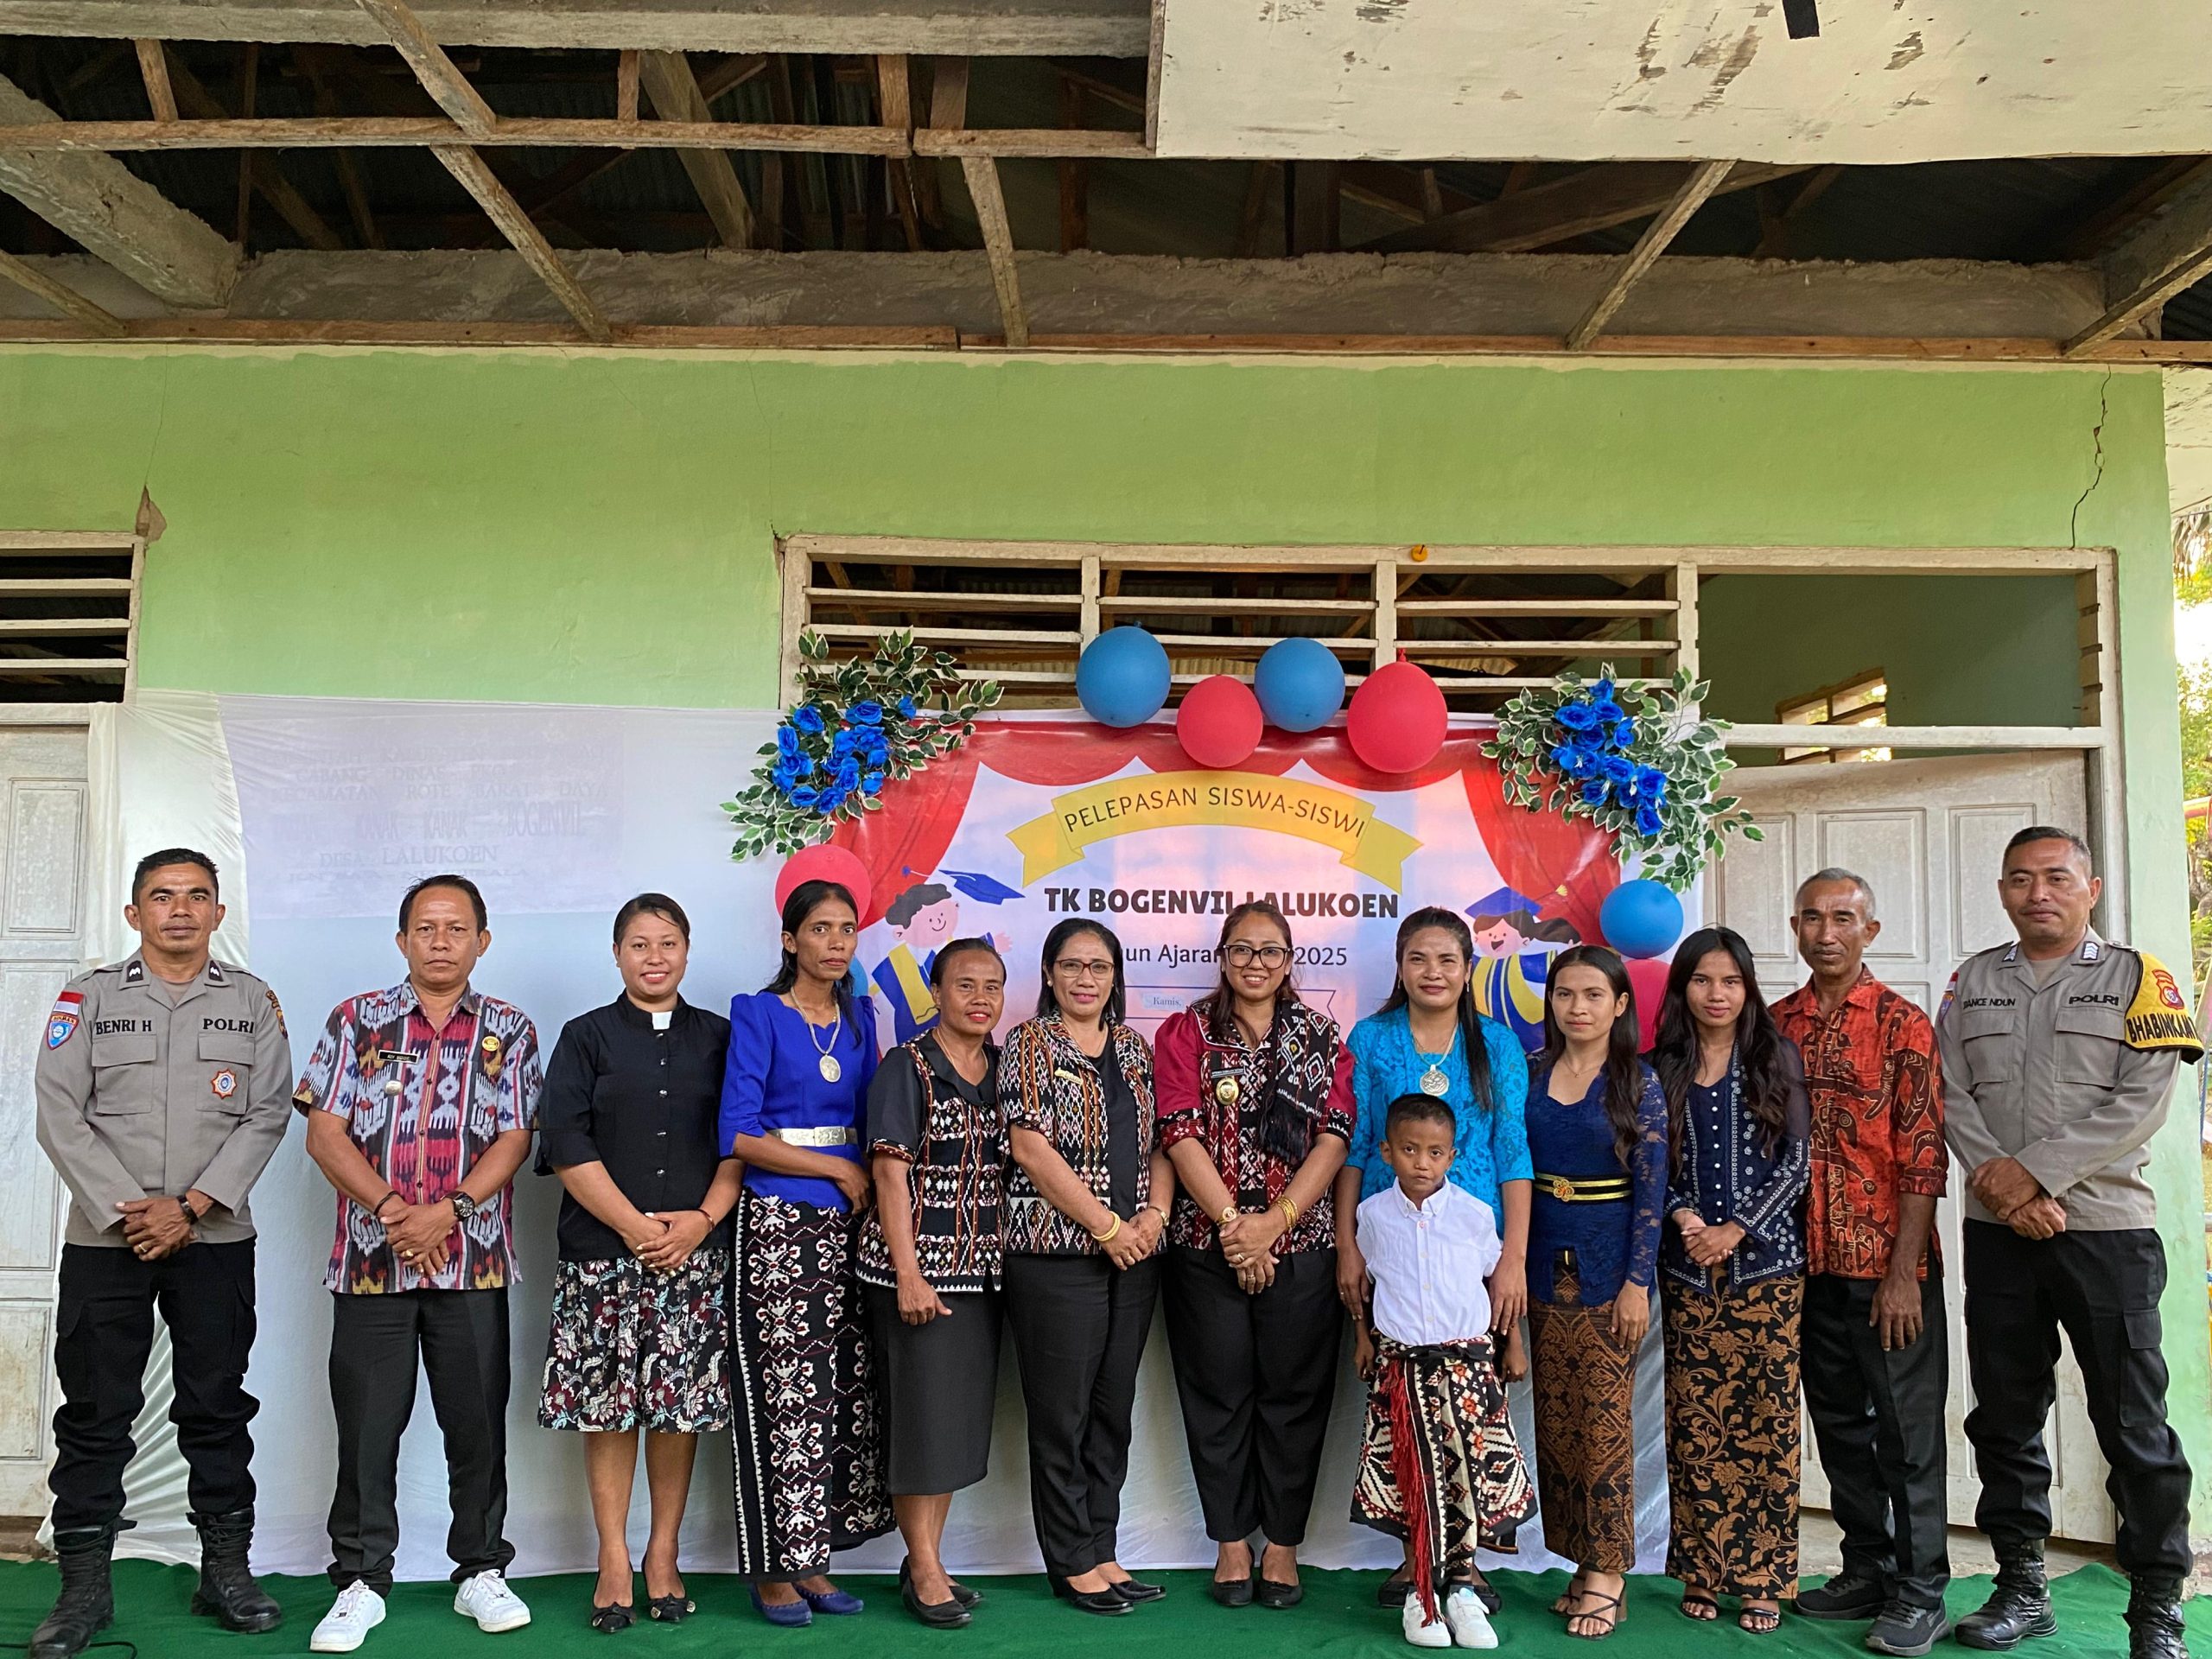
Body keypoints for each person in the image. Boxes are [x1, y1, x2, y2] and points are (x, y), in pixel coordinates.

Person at [1936, 827, 2200, 1659]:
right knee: (2005, 1417)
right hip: (1999, 1235)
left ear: (2091, 887)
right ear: (2003, 891)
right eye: (2020, 879)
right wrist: (2005, 1191)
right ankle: (2022, 1587)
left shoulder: (2140, 978)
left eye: (2056, 877)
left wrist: (2034, 1177)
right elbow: (1949, 1093)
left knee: (2134, 1426)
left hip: (2108, 1233)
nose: (2038, 893)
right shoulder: (1973, 981)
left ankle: (2157, 1608)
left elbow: (2142, 1102)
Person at [30, 849, 291, 1659]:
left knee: (216, 1405)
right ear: (133, 913)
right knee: (95, 1412)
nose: (180, 910)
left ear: (218, 913)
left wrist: (192, 1207)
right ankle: (83, 1590)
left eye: (196, 896)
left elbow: (268, 1111)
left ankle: (226, 1573)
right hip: (106, 1240)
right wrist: (134, 1211)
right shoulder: (89, 999)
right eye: (162, 896)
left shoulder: (252, 1003)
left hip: (214, 1239)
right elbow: (58, 1111)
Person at [296, 874, 541, 1654]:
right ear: (402, 940)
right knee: (368, 1430)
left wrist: (449, 1211)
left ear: (482, 941)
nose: (441, 942)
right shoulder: (356, 1020)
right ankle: (361, 1582)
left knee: (478, 1429)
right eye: (426, 929)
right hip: (373, 1265)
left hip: (473, 1264)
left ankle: (481, 1571)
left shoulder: (510, 1029)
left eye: (456, 928)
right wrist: (394, 1210)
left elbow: (516, 1137)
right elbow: (324, 1132)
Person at [536, 894, 739, 1632]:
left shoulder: (721, 1037)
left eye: (668, 943)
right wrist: (633, 1227)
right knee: (610, 1410)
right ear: (617, 954)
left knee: (677, 1412)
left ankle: (664, 1553)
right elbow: (565, 1142)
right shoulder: (584, 1036)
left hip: (694, 1255)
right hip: (601, 1258)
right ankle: (613, 1557)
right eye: (639, 944)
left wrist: (701, 1223)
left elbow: (741, 1139)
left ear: (687, 950)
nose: (655, 957)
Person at [1154, 901, 1355, 1609]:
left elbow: (1334, 1137)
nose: (1256, 963)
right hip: (1204, 1245)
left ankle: (1284, 1546)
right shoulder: (1186, 1032)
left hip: (1301, 1246)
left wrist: (1273, 1223)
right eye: (1242, 949)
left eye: (1271, 951)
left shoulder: (1322, 1037)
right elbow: (1177, 1132)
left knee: (1294, 1398)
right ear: (1222, 956)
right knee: (1217, 1395)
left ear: (1290, 961)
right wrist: (1236, 1229)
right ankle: (1232, 1543)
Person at [1771, 870, 1951, 1656]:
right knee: (1840, 1425)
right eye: (1812, 918)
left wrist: (1904, 1273)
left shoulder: (1903, 1023)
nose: (1826, 933)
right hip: (1807, 1266)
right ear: (1795, 928)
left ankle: (1921, 1591)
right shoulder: (1776, 1025)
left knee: (1907, 1435)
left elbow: (1924, 1155)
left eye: (1843, 918)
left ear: (1869, 931)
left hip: (1887, 1270)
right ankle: (1866, 1569)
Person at [1335, 905, 1532, 1611]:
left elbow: (1513, 1151)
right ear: (1399, 965)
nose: (1433, 972)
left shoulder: (1497, 1045)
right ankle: (1413, 1556)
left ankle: (1466, 1560)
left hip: (1470, 1253)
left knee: (1472, 1417)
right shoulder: (1372, 1038)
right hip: (1391, 1243)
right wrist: (1347, 1245)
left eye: (1448, 959)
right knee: (1400, 1409)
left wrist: (1513, 1259)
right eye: (1418, 958)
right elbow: (1357, 1145)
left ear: (1468, 967)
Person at [721, 878, 893, 1624]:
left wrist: (867, 1182)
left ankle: (814, 1561)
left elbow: (873, 1121)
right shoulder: (758, 1013)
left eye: (846, 929)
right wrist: (832, 1168)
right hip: (777, 1221)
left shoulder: (861, 1018)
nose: (836, 942)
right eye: (820, 929)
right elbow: (737, 1132)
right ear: (790, 941)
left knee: (838, 1392)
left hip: (850, 1224)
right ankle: (771, 1570)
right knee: (782, 1391)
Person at [1000, 918, 1178, 1618]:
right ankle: (1070, 1560)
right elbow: (1030, 1148)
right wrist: (1106, 1226)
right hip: (1056, 1255)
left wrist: (1154, 1216)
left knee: (1112, 1412)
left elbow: (1162, 1142)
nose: (1085, 979)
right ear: (1049, 974)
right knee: (1062, 1416)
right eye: (1071, 965)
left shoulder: (1133, 1047)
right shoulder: (1030, 1043)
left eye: (1099, 967)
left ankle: (1103, 1549)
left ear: (1115, 978)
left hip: (1135, 1257)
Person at [1654, 926, 1810, 1636]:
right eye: (1701, 980)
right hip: (1689, 1272)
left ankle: (1763, 1577)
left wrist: (1737, 1229)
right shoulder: (1661, 1066)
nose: (1716, 994)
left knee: (1767, 1421)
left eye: (1730, 981)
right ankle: (1703, 1569)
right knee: (1696, 1423)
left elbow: (1797, 1165)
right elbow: (1646, 1161)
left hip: (1767, 1273)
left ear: (1747, 989)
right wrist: (1684, 1216)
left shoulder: (1775, 1056)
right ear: (1682, 988)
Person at [858, 937, 1009, 1629]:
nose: (980, 999)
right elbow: (889, 1175)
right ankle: (922, 1567)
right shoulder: (907, 1066)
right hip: (915, 1277)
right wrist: (909, 1274)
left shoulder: (1004, 1069)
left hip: (980, 1276)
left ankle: (930, 1558)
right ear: (937, 993)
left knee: (951, 1429)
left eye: (992, 986)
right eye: (964, 985)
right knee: (920, 1423)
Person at [1351, 1092, 1535, 1651]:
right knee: (1410, 1478)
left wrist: (1513, 1344)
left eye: (1435, 1152)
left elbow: (1495, 1284)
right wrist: (1362, 1339)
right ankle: (1420, 1595)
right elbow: (1368, 1287)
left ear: (1453, 1156)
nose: (1422, 1163)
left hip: (1468, 1371)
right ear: (1387, 1151)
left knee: (1468, 1478)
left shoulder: (1475, 1216)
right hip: (1402, 1371)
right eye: (1409, 1150)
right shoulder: (1372, 1217)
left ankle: (1461, 1590)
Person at [1522, 944, 1665, 1643]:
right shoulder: (1531, 1072)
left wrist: (1638, 1283)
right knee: (1558, 1420)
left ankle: (1610, 1573)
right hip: (1540, 1260)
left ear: (1620, 1005)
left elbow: (1652, 1190)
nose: (1577, 1007)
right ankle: (1581, 1561)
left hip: (1609, 1269)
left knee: (1605, 1421)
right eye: (1564, 994)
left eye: (1592, 995)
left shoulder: (1638, 1081)